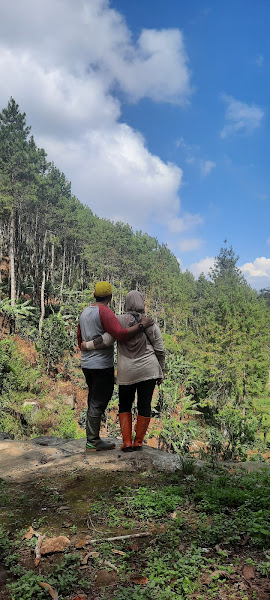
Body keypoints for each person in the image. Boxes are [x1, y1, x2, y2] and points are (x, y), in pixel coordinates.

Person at [82, 290, 165, 452]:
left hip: (127, 371)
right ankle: (138, 442)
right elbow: (160, 349)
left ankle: (127, 442)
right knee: (144, 405)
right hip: (149, 370)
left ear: (127, 303)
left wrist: (87, 345)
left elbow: (106, 340)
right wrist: (161, 369)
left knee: (125, 405)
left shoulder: (118, 320)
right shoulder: (149, 322)